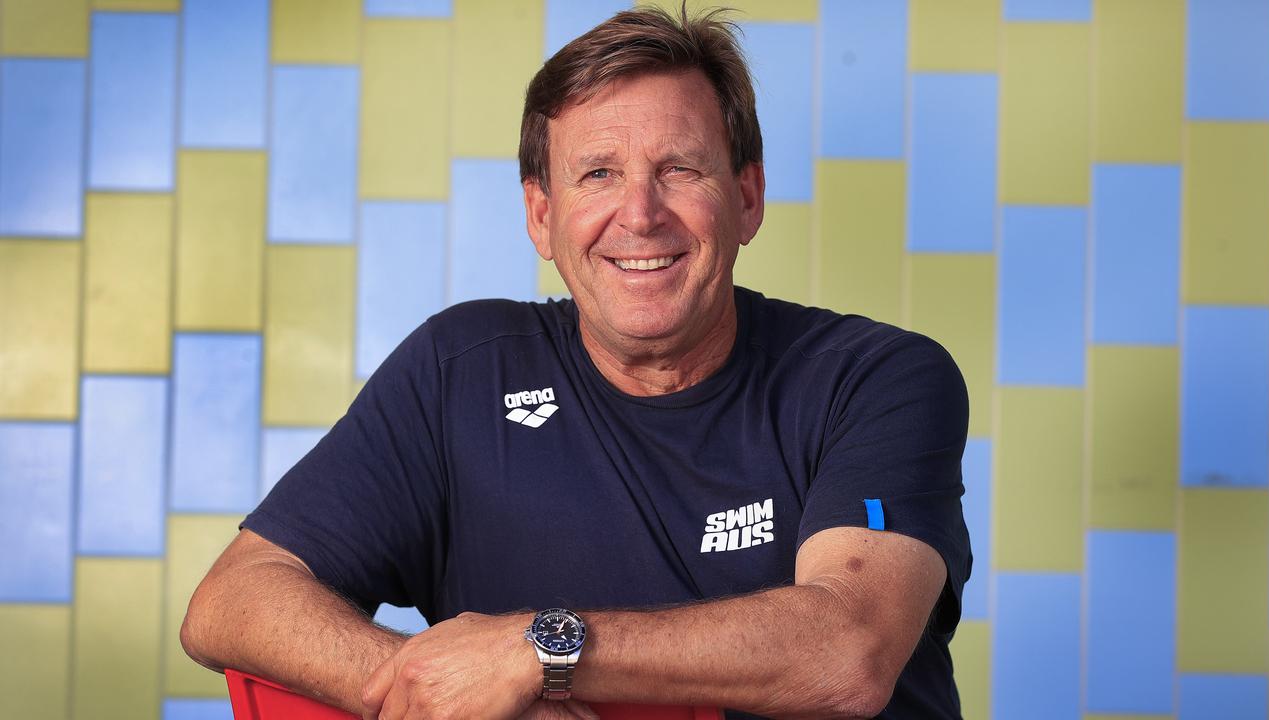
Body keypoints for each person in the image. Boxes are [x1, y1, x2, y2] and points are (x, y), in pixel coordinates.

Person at [180, 6, 971, 720]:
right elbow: (232, 599)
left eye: (680, 170)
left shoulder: (875, 380)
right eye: (598, 174)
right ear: (541, 214)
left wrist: (538, 652)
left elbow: (848, 652)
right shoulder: (459, 373)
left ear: (748, 197)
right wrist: (453, 692)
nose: (639, 214)